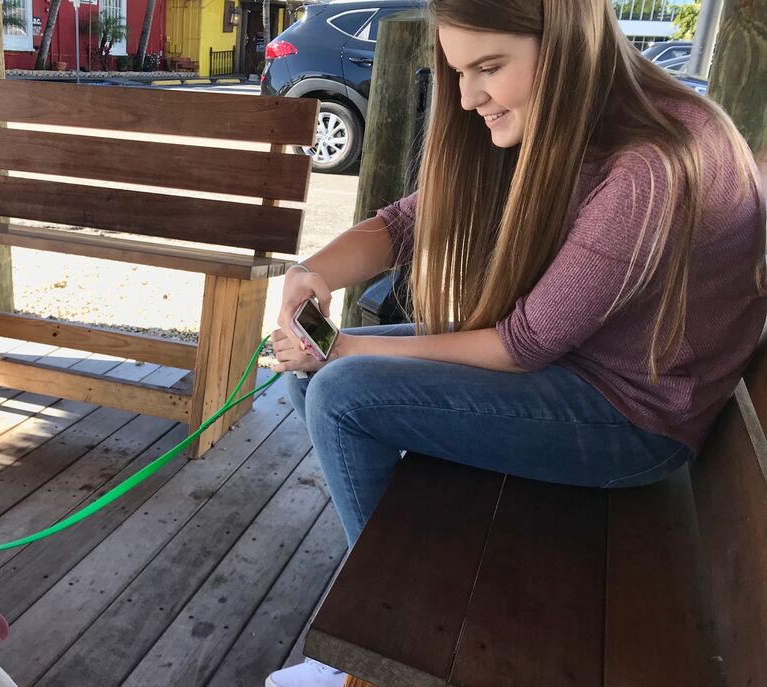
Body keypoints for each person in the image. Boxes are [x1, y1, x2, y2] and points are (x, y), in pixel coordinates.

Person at [265, 0, 765, 685]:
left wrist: (345, 348)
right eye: (458, 70)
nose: (468, 96)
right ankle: (406, 587)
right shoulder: (572, 111)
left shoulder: (648, 166)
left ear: (563, 43)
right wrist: (311, 272)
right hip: (577, 361)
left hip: (634, 421)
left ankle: (393, 634)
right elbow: (409, 222)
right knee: (310, 377)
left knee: (340, 393)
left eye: (488, 68)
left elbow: (520, 345)